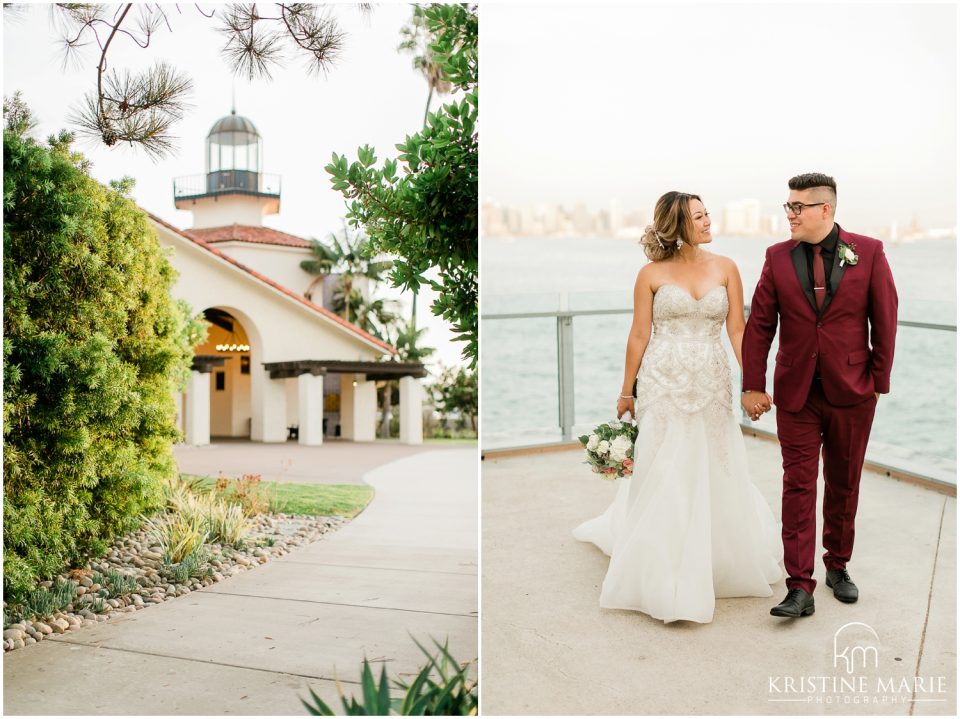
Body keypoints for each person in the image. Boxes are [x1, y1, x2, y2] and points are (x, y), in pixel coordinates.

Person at [573, 191, 784, 624]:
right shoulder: (649, 273)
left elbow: (738, 330)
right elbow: (638, 334)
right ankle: (662, 563)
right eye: (699, 216)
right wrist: (627, 391)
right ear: (678, 225)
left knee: (714, 461)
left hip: (710, 379)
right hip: (662, 381)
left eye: (708, 213)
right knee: (665, 464)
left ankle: (714, 558)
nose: (709, 221)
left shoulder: (726, 267)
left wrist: (754, 383)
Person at [742, 173, 898, 619]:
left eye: (798, 207)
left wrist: (878, 384)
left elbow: (884, 319)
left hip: (852, 391)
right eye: (787, 206)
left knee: (844, 482)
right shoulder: (776, 256)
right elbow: (760, 326)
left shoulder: (868, 251)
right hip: (796, 392)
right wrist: (752, 383)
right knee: (797, 483)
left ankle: (838, 565)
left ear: (824, 209)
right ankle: (799, 586)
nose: (789, 214)